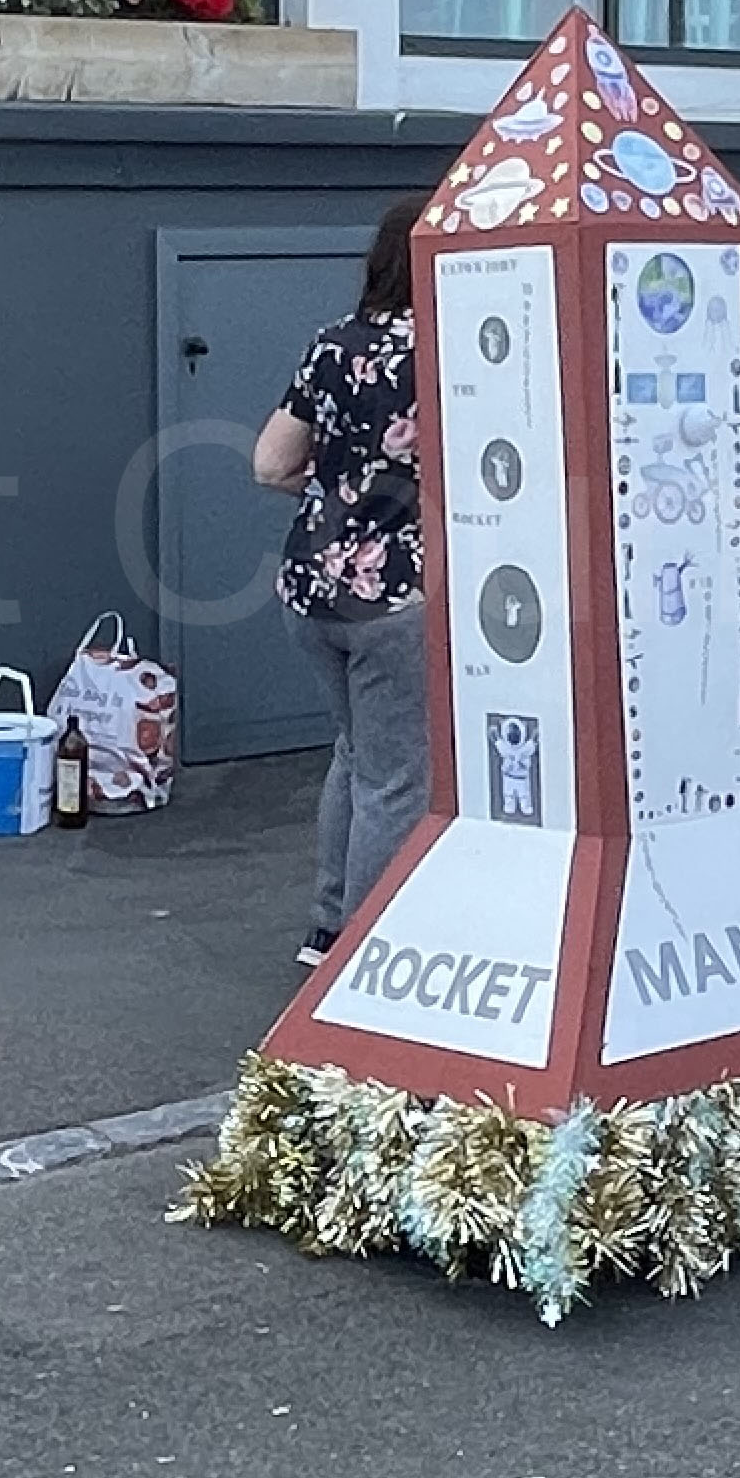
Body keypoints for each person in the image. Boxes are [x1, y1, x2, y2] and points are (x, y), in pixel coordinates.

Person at [254, 196, 433, 966]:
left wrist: (345, 487)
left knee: (355, 755)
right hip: (397, 599)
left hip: (310, 589)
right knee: (397, 780)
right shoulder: (456, 350)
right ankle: (370, 950)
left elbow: (269, 466)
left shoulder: (332, 344)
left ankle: (327, 928)